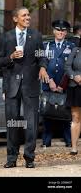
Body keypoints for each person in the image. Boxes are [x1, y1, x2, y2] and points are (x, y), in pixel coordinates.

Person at [0, 7, 49, 168]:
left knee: (31, 124)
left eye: (28, 15)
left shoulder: (36, 36)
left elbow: (42, 57)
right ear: (15, 18)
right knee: (12, 123)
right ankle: (11, 158)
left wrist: (43, 67)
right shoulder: (6, 37)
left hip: (31, 85)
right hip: (11, 85)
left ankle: (29, 158)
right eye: (24, 15)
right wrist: (10, 57)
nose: (28, 17)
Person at [41, 20, 74, 148]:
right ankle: (46, 140)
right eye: (58, 30)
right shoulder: (46, 46)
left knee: (65, 112)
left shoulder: (71, 47)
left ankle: (68, 139)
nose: (60, 32)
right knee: (47, 111)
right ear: (54, 31)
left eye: (63, 30)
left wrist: (62, 85)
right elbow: (42, 63)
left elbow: (71, 66)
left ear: (66, 32)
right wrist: (50, 81)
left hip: (64, 85)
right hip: (48, 83)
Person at [65, 42, 81, 155]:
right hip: (75, 87)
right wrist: (74, 76)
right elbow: (67, 67)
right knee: (76, 117)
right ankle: (74, 147)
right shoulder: (75, 50)